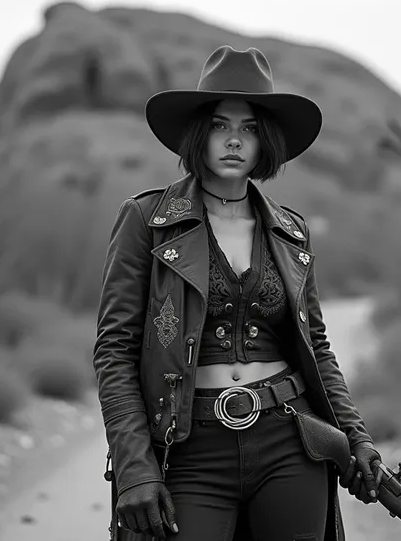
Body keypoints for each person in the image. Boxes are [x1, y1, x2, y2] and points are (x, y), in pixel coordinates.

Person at [94, 45, 383, 541]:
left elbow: (317, 348)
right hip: (188, 448)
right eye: (220, 125)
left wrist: (357, 436)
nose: (234, 140)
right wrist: (135, 467)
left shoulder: (292, 232)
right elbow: (114, 350)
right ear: (198, 134)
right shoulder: (147, 221)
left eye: (249, 127)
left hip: (290, 443)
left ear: (265, 138)